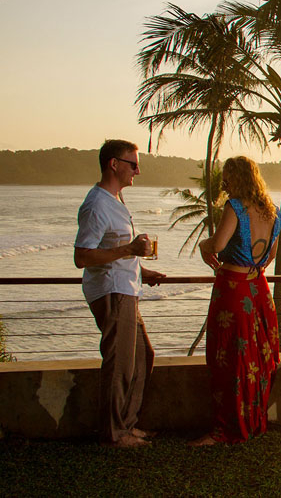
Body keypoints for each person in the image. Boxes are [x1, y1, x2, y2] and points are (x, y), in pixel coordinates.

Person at [74, 139, 165, 448]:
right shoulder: (97, 203)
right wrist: (129, 249)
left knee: (142, 357)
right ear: (114, 164)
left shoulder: (115, 199)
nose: (137, 171)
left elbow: (112, 250)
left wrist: (142, 271)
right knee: (120, 364)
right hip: (111, 293)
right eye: (133, 164)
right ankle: (114, 433)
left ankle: (127, 423)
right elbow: (83, 256)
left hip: (127, 288)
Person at [190, 156, 281, 445]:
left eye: (227, 177)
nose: (224, 183)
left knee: (229, 357)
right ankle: (252, 422)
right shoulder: (274, 212)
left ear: (239, 178)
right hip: (258, 289)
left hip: (234, 289)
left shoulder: (235, 208)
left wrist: (204, 245)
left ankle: (226, 429)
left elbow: (217, 245)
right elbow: (270, 256)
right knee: (255, 358)